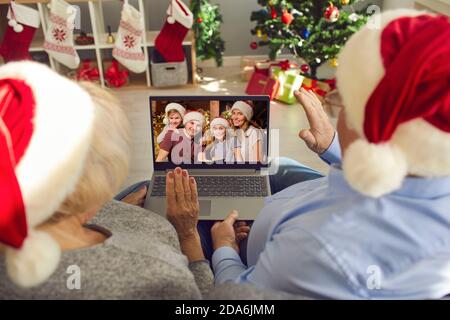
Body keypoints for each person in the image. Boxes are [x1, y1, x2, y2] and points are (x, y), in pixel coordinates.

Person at [168, 10, 450, 299]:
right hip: (293, 206)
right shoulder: (433, 167)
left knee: (164, 203)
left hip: (247, 250)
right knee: (278, 167)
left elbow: (233, 296)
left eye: (341, 102)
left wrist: (221, 246)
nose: (336, 111)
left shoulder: (318, 250)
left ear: (369, 130)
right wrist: (335, 148)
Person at [0, 61, 213, 299]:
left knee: (142, 187)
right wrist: (188, 235)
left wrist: (115, 209)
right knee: (209, 225)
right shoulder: (157, 270)